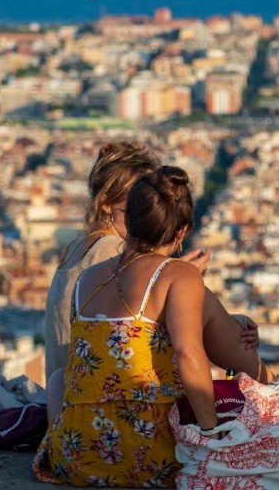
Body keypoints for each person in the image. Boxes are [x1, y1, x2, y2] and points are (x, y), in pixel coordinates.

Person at [34, 166, 271, 487]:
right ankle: (277, 388)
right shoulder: (180, 274)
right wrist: (212, 438)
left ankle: (57, 441)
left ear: (128, 220)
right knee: (204, 306)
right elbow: (188, 353)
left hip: (78, 458)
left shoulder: (87, 279)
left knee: (59, 377)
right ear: (182, 231)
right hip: (152, 455)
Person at [44, 142, 256, 387]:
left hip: (71, 396)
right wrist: (181, 279)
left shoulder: (77, 249)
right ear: (106, 203)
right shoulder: (112, 249)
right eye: (135, 207)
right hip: (109, 392)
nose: (144, 216)